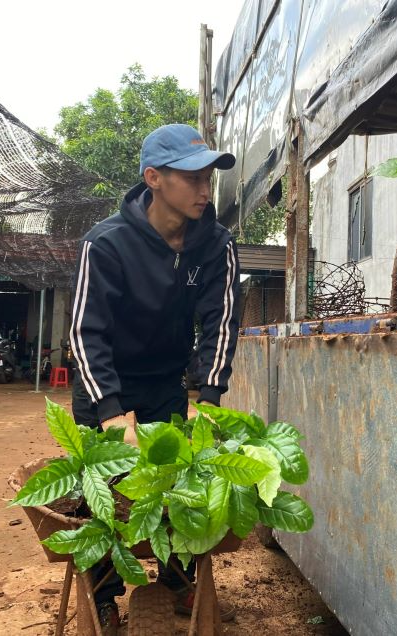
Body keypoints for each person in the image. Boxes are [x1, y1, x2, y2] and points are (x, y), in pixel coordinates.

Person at [70, 123, 241, 633]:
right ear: (154, 178)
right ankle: (103, 590)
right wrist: (109, 413)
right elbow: (85, 332)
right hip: (107, 383)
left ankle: (176, 575)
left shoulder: (216, 245)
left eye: (209, 176)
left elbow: (221, 323)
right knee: (98, 494)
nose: (205, 189)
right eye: (191, 178)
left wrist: (206, 399)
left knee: (181, 487)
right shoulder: (106, 244)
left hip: (166, 382)